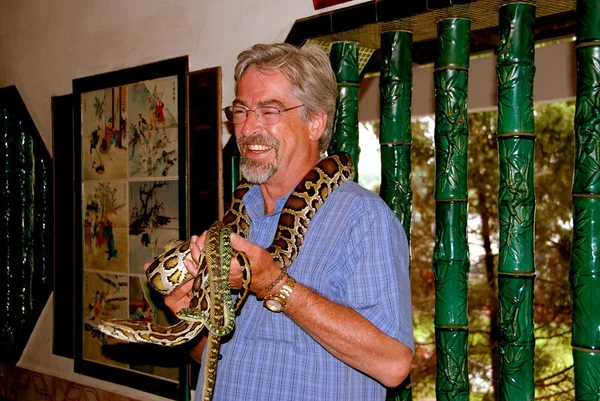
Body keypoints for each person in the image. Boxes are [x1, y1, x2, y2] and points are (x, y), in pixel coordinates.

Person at [149, 43, 414, 401]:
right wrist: (189, 314)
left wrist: (273, 284)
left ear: (315, 122)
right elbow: (216, 358)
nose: (247, 128)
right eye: (240, 110)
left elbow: (394, 365)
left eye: (269, 111)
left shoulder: (362, 219)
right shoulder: (234, 224)